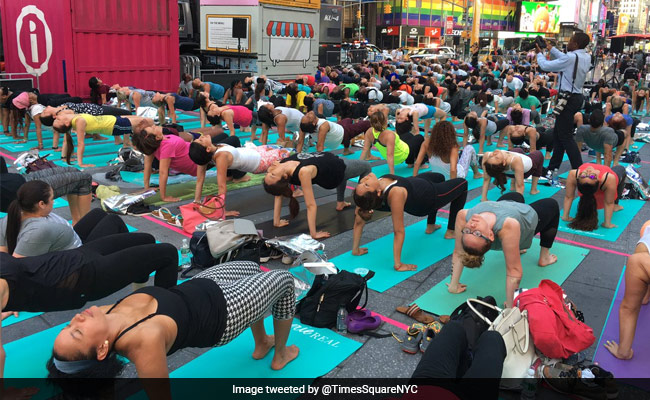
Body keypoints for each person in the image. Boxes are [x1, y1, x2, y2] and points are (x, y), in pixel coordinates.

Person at [44, 261, 297, 392]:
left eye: (67, 326)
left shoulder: (101, 315)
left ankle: (263, 341)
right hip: (225, 314)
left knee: (252, 266)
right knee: (284, 281)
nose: (76, 319)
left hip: (202, 287)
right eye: (77, 332)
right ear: (101, 350)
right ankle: (280, 355)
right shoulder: (143, 343)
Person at [448, 192, 560, 307]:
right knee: (552, 204)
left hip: (507, 206)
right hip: (523, 221)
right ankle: (544, 257)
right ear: (491, 235)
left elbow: (458, 251)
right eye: (477, 233)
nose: (472, 226)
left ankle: (514, 246)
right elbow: (514, 271)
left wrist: (453, 285)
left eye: (467, 232)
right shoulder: (508, 226)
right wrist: (511, 306)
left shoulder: (463, 216)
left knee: (515, 196)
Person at [352, 172, 468, 271]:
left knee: (439, 177)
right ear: (377, 192)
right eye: (366, 185)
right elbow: (399, 231)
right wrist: (398, 264)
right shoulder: (395, 193)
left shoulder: (365, 197)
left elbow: (358, 221)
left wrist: (355, 250)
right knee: (462, 184)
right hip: (428, 198)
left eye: (362, 183)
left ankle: (431, 226)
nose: (365, 179)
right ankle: (450, 231)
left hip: (417, 183)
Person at [0, 180, 127, 257]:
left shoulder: (13, 215)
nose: (53, 202)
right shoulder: (38, 230)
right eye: (51, 199)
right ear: (41, 204)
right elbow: (17, 262)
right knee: (113, 221)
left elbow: (3, 252)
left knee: (98, 213)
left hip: (70, 240)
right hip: (79, 255)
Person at [263, 152, 371, 239]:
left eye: (268, 173)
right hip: (335, 172)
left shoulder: (282, 165)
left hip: (332, 160)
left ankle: (340, 203)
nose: (270, 170)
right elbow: (311, 205)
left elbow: (278, 193)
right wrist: (313, 234)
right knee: (366, 166)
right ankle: (360, 208)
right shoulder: (303, 172)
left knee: (345, 174)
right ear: (285, 176)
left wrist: (276, 222)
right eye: (272, 174)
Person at [131, 124, 238, 203]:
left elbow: (147, 166)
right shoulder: (167, 146)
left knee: (223, 135)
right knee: (234, 140)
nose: (154, 125)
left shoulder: (155, 144)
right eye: (153, 128)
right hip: (199, 159)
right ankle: (238, 176)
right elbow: (163, 172)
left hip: (196, 150)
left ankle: (229, 173)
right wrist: (164, 197)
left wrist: (146, 187)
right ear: (157, 137)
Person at [189, 135, 292, 215]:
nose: (201, 137)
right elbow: (221, 186)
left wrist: (197, 201)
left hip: (256, 152)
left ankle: (293, 188)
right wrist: (223, 211)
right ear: (207, 149)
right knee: (292, 156)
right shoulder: (221, 156)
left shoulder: (212, 150)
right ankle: (293, 191)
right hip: (261, 161)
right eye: (201, 140)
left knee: (284, 149)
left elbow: (200, 180)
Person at [536, 33, 591, 172]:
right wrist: (551, 49)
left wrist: (540, 53)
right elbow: (566, 59)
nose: (569, 43)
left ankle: (579, 170)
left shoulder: (571, 57)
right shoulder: (585, 56)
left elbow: (545, 66)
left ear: (576, 44)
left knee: (565, 136)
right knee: (558, 134)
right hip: (576, 96)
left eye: (571, 40)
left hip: (567, 98)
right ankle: (553, 168)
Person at [604, 220, 650, 360]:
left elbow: (629, 309)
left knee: (628, 307)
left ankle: (623, 351)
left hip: (643, 262)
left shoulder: (642, 249)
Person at [0, 157, 92, 223]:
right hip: (27, 191)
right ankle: (83, 226)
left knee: (74, 171)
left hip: (21, 179)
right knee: (84, 179)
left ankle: (77, 223)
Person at [53, 114, 146, 167]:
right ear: (66, 123)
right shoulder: (78, 121)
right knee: (147, 122)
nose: (57, 117)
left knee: (144, 122)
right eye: (57, 120)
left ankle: (141, 148)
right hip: (113, 125)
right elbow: (80, 143)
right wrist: (80, 163)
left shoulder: (74, 118)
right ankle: (144, 149)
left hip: (112, 120)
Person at [39, 102, 131, 150]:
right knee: (127, 115)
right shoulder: (63, 114)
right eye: (44, 112)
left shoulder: (60, 107)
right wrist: (65, 155)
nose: (45, 109)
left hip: (96, 109)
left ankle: (118, 139)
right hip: (98, 112)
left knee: (120, 116)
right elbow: (67, 135)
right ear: (53, 116)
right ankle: (126, 142)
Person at [562, 163, 626, 231]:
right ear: (598, 180)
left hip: (598, 187)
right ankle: (616, 205)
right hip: (609, 181)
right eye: (592, 176)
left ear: (578, 178)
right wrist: (607, 224)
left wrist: (565, 217)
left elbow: (569, 196)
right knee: (621, 169)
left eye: (583, 176)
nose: (588, 172)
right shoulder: (608, 178)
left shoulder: (574, 174)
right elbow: (609, 203)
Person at [413, 121, 481, 181]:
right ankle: (476, 173)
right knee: (469, 148)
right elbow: (453, 170)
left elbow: (417, 163)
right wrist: (452, 187)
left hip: (437, 178)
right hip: (456, 177)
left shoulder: (426, 143)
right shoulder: (452, 147)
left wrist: (414, 180)